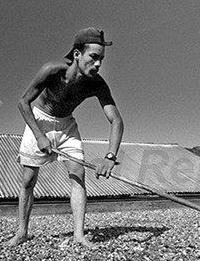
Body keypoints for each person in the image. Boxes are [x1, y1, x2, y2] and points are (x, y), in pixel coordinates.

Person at [8, 27, 124, 247]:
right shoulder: (52, 71)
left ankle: (79, 235)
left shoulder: (97, 84)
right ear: (77, 54)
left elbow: (116, 120)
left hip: (66, 125)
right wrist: (40, 136)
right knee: (28, 180)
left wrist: (110, 157)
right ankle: (22, 232)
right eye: (94, 57)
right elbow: (23, 103)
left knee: (78, 176)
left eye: (101, 59)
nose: (98, 64)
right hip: (39, 120)